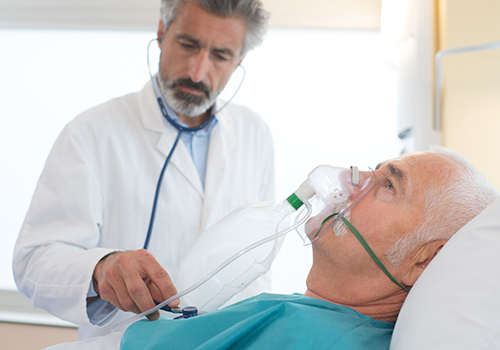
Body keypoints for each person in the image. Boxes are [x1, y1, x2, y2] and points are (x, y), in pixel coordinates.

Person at [44, 146, 499, 349]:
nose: (352, 181)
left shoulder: (321, 340)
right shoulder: (303, 315)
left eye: (388, 186)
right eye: (374, 168)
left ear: (424, 261)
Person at [13, 0, 274, 340]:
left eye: (220, 56)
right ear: (162, 33)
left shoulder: (255, 133)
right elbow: (34, 261)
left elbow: (259, 259)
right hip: (126, 343)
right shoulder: (91, 132)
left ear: (240, 60)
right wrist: (100, 268)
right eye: (187, 45)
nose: (197, 72)